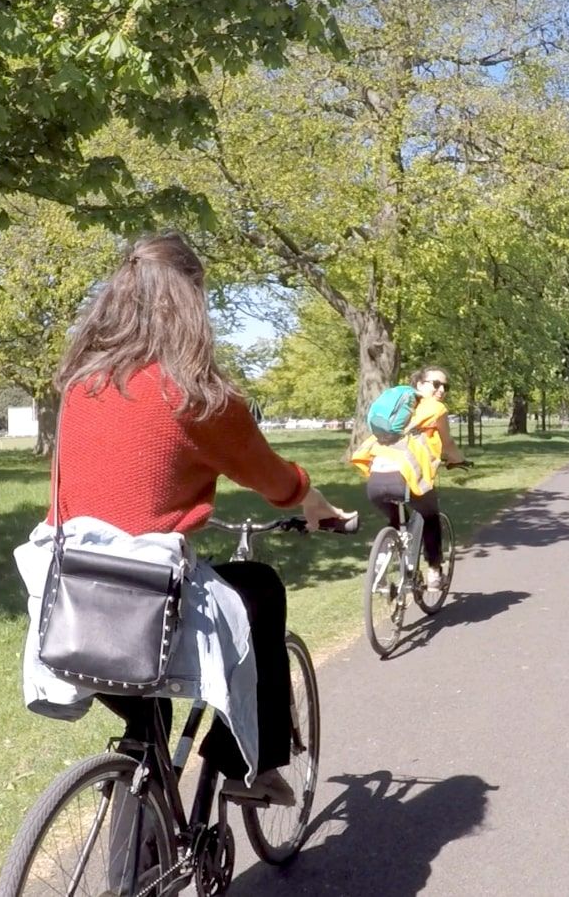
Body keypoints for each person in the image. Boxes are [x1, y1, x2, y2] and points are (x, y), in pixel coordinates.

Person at [48, 232, 350, 808]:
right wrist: (318, 504)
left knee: (147, 722)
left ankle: (139, 843)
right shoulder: (196, 395)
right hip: (145, 601)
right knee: (259, 587)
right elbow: (276, 482)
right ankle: (248, 764)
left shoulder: (80, 386)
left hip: (69, 602)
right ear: (192, 301)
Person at [351, 366, 468, 598]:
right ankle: (435, 573)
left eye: (446, 386)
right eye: (436, 384)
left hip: (376, 480)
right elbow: (448, 444)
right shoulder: (434, 408)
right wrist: (459, 460)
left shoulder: (398, 410)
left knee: (396, 519)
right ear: (420, 384)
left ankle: (381, 563)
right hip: (405, 478)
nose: (441, 390)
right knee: (430, 514)